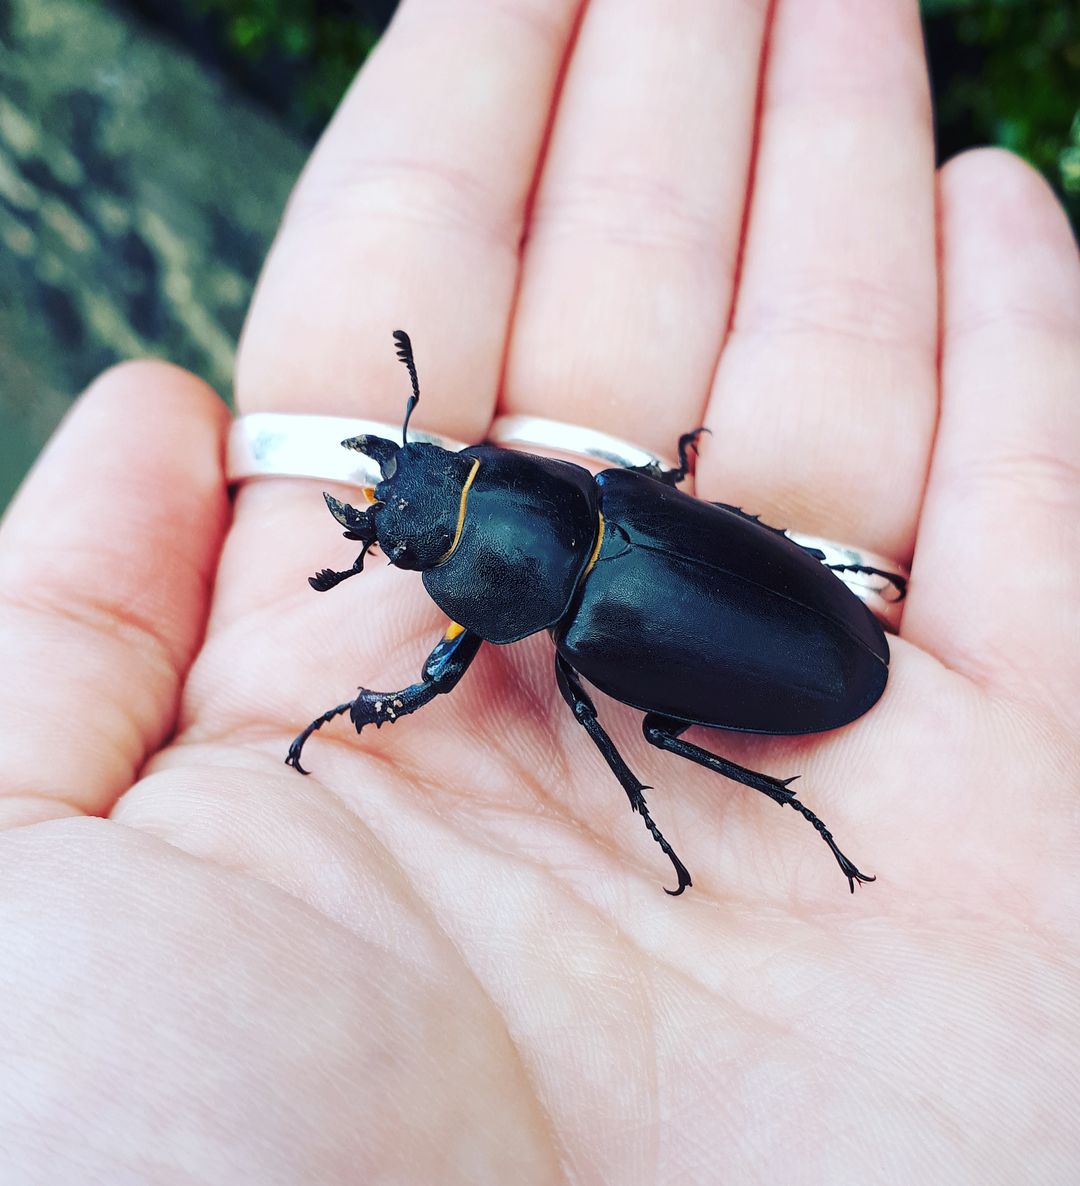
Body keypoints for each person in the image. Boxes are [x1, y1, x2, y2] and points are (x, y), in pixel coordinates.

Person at [0, 0, 1076, 1180]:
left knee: (646, 727)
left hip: (802, 644)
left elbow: (463, 683)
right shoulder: (616, 499)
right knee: (651, 678)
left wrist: (363, 711)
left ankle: (775, 808)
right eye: (412, 527)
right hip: (782, 616)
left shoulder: (592, 578)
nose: (420, 493)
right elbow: (663, 524)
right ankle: (763, 808)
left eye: (443, 479)